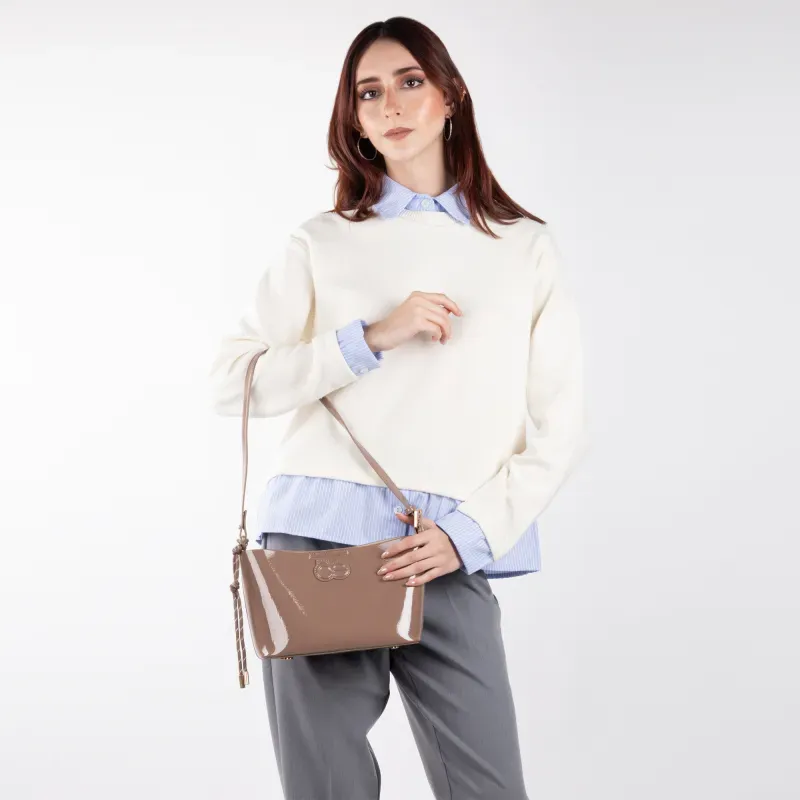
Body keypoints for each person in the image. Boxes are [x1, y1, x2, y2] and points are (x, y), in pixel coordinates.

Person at [209, 16, 589, 800]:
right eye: (369, 92)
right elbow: (232, 381)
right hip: (318, 548)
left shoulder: (524, 247)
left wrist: (468, 535)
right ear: (353, 118)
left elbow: (561, 425)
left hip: (448, 549)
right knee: (327, 788)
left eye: (411, 82)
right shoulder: (322, 243)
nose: (391, 105)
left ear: (450, 96)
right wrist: (368, 338)